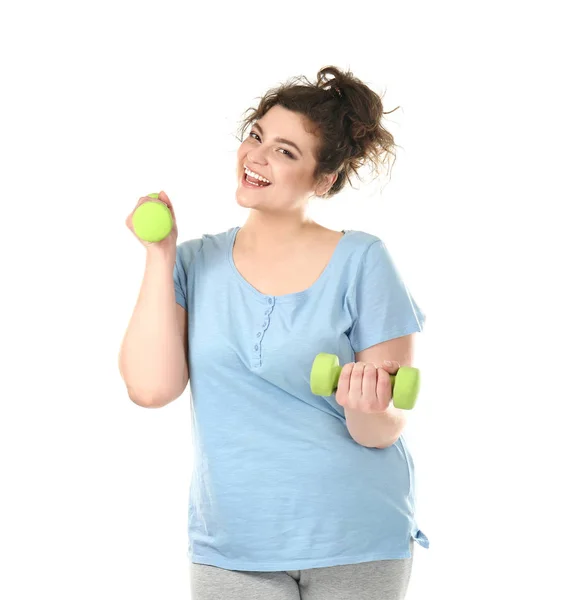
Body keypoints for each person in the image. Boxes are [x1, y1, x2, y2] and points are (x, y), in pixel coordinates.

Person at [119, 65, 428, 600]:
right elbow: (151, 389)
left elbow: (381, 430)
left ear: (323, 180)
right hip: (233, 544)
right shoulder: (192, 263)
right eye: (257, 136)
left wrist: (368, 403)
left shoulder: (363, 260)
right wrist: (160, 255)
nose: (256, 156)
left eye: (286, 151)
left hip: (353, 536)